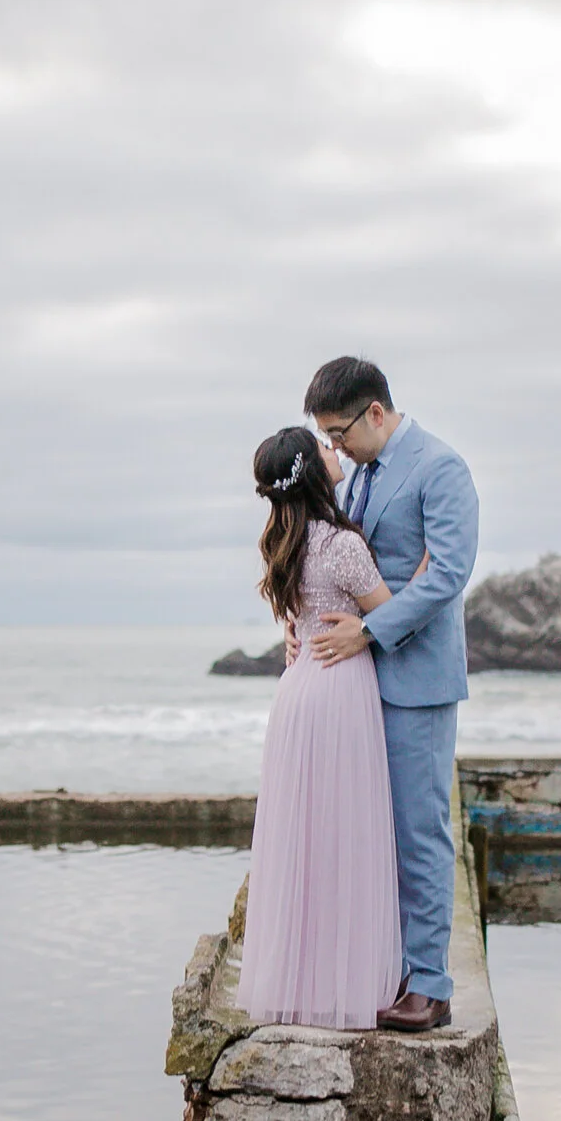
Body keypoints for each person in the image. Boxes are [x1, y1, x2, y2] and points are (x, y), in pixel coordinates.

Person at [303, 357, 479, 1033]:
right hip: (361, 682)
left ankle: (430, 986)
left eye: (339, 433)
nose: (336, 447)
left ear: (375, 412)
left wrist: (371, 630)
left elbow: (447, 575)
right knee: (371, 832)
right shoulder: (360, 476)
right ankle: (389, 969)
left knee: (418, 833)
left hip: (418, 681)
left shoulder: (441, 468)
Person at [234, 427, 406, 1029]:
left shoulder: (286, 543)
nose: (335, 452)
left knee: (305, 841)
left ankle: (300, 981)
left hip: (297, 693)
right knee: (345, 837)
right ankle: (346, 984)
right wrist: (428, 573)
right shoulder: (341, 545)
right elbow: (393, 616)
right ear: (312, 469)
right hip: (339, 693)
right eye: (325, 447)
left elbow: (299, 614)